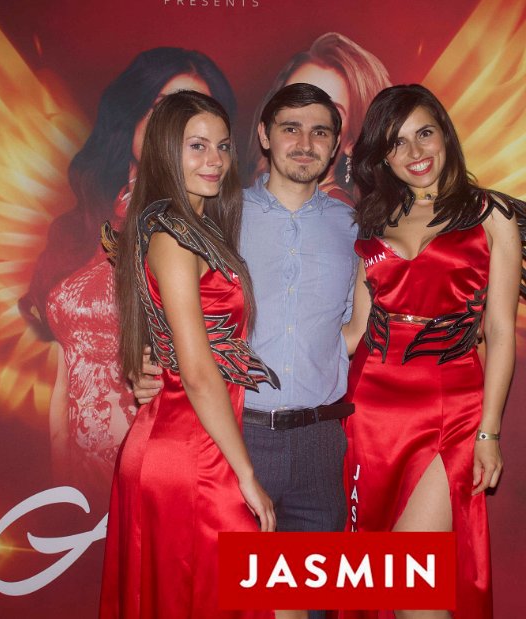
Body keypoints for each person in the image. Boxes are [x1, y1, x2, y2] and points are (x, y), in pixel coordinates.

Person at [341, 85, 526, 619]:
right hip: (371, 412)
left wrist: (489, 432)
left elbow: (499, 332)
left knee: (412, 585)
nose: (414, 152)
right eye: (396, 143)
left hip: (447, 411)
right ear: (382, 157)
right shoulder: (373, 221)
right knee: (377, 579)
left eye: (424, 133)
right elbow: (354, 331)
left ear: (445, 135)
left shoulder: (490, 213)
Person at [134, 83, 358, 619]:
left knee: (313, 609)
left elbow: (353, 332)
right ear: (263, 135)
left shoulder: (354, 228)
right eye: (290, 128)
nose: (305, 143)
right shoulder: (219, 217)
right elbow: (175, 310)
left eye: (320, 132)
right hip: (236, 436)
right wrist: (156, 363)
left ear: (335, 145)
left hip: (321, 444)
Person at [99, 90, 301, 619]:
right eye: (197, 146)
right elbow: (197, 372)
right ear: (166, 150)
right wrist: (247, 476)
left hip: (199, 443)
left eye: (223, 146)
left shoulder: (195, 226)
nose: (214, 160)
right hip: (188, 455)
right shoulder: (173, 235)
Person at [17, 47, 235, 494]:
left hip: (158, 460)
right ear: (131, 115)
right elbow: (66, 363)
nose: (178, 130)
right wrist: (61, 482)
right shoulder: (82, 223)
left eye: (196, 117)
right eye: (165, 111)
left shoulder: (203, 231)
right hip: (77, 472)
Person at [244, 33, 391, 204]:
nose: (304, 122)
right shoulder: (250, 201)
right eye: (295, 100)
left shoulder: (339, 213)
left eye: (328, 111)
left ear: (351, 141)